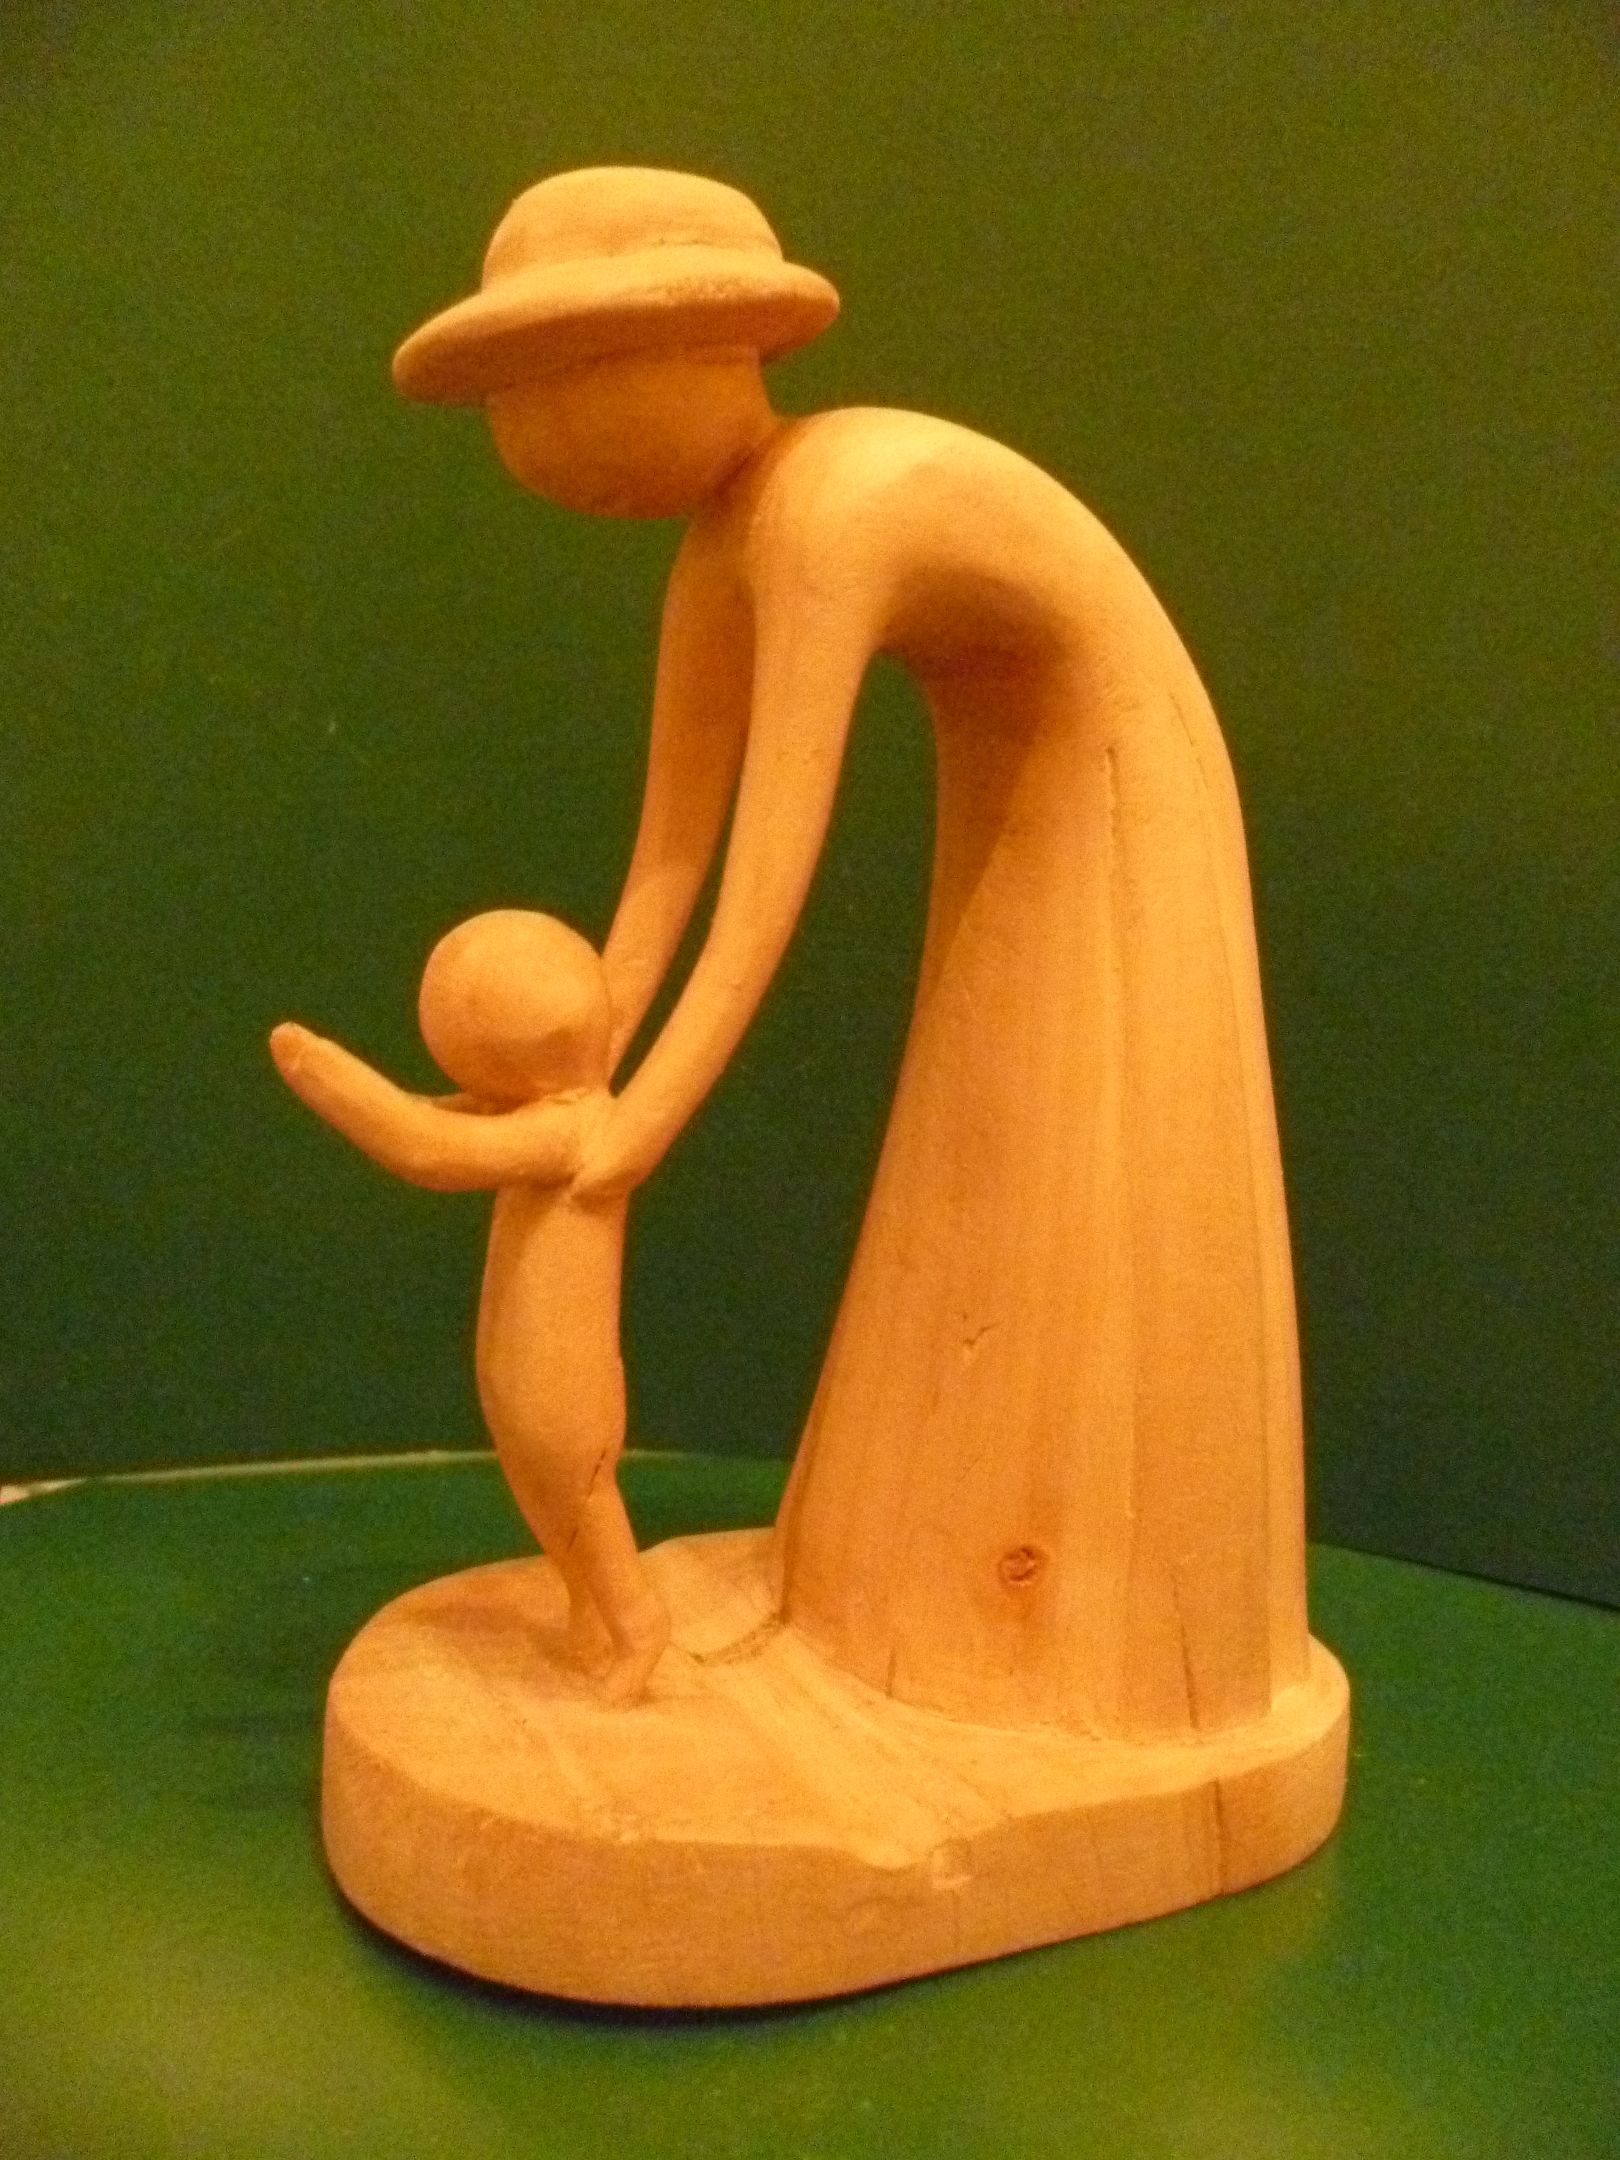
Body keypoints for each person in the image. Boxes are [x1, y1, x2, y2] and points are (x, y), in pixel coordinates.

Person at [388, 167, 1310, 1741]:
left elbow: (774, 861)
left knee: (1072, 1164)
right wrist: (589, 1044)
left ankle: (1078, 1648)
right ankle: (897, 1592)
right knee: (973, 1171)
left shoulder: (840, 504)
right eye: (507, 398)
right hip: (1029, 790)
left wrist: (642, 1119)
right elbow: (672, 844)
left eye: (552, 380)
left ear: (707, 346)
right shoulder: (725, 537)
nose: (528, 432)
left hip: (1119, 808)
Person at [270, 908, 671, 1705]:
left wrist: (324, 1072)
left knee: (580, 1490)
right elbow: (427, 1117)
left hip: (564, 1380)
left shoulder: (573, 1126)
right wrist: (384, 1099)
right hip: (518, 1364)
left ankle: (638, 1624)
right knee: (544, 1492)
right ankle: (589, 1610)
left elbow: (426, 1148)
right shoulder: (535, 1111)